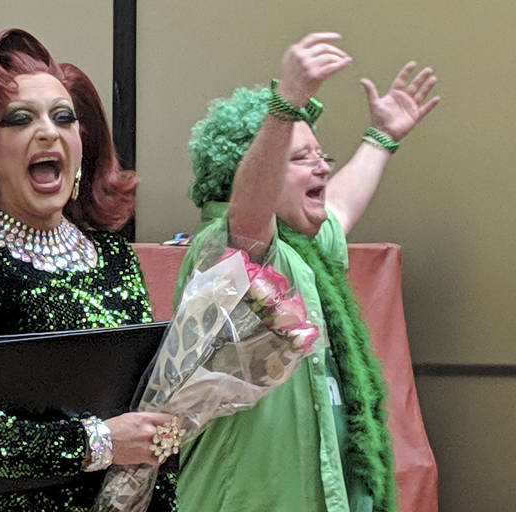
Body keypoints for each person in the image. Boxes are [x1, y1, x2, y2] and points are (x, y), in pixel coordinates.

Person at [0, 28, 177, 512]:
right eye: (20, 119)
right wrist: (99, 442)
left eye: (63, 117)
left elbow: (139, 396)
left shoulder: (114, 255)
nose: (48, 131)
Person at [174, 32, 439, 512]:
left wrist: (381, 138)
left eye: (321, 155)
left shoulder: (307, 247)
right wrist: (285, 106)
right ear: (252, 172)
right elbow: (250, 209)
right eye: (300, 158)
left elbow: (340, 205)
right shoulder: (230, 248)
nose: (321, 167)